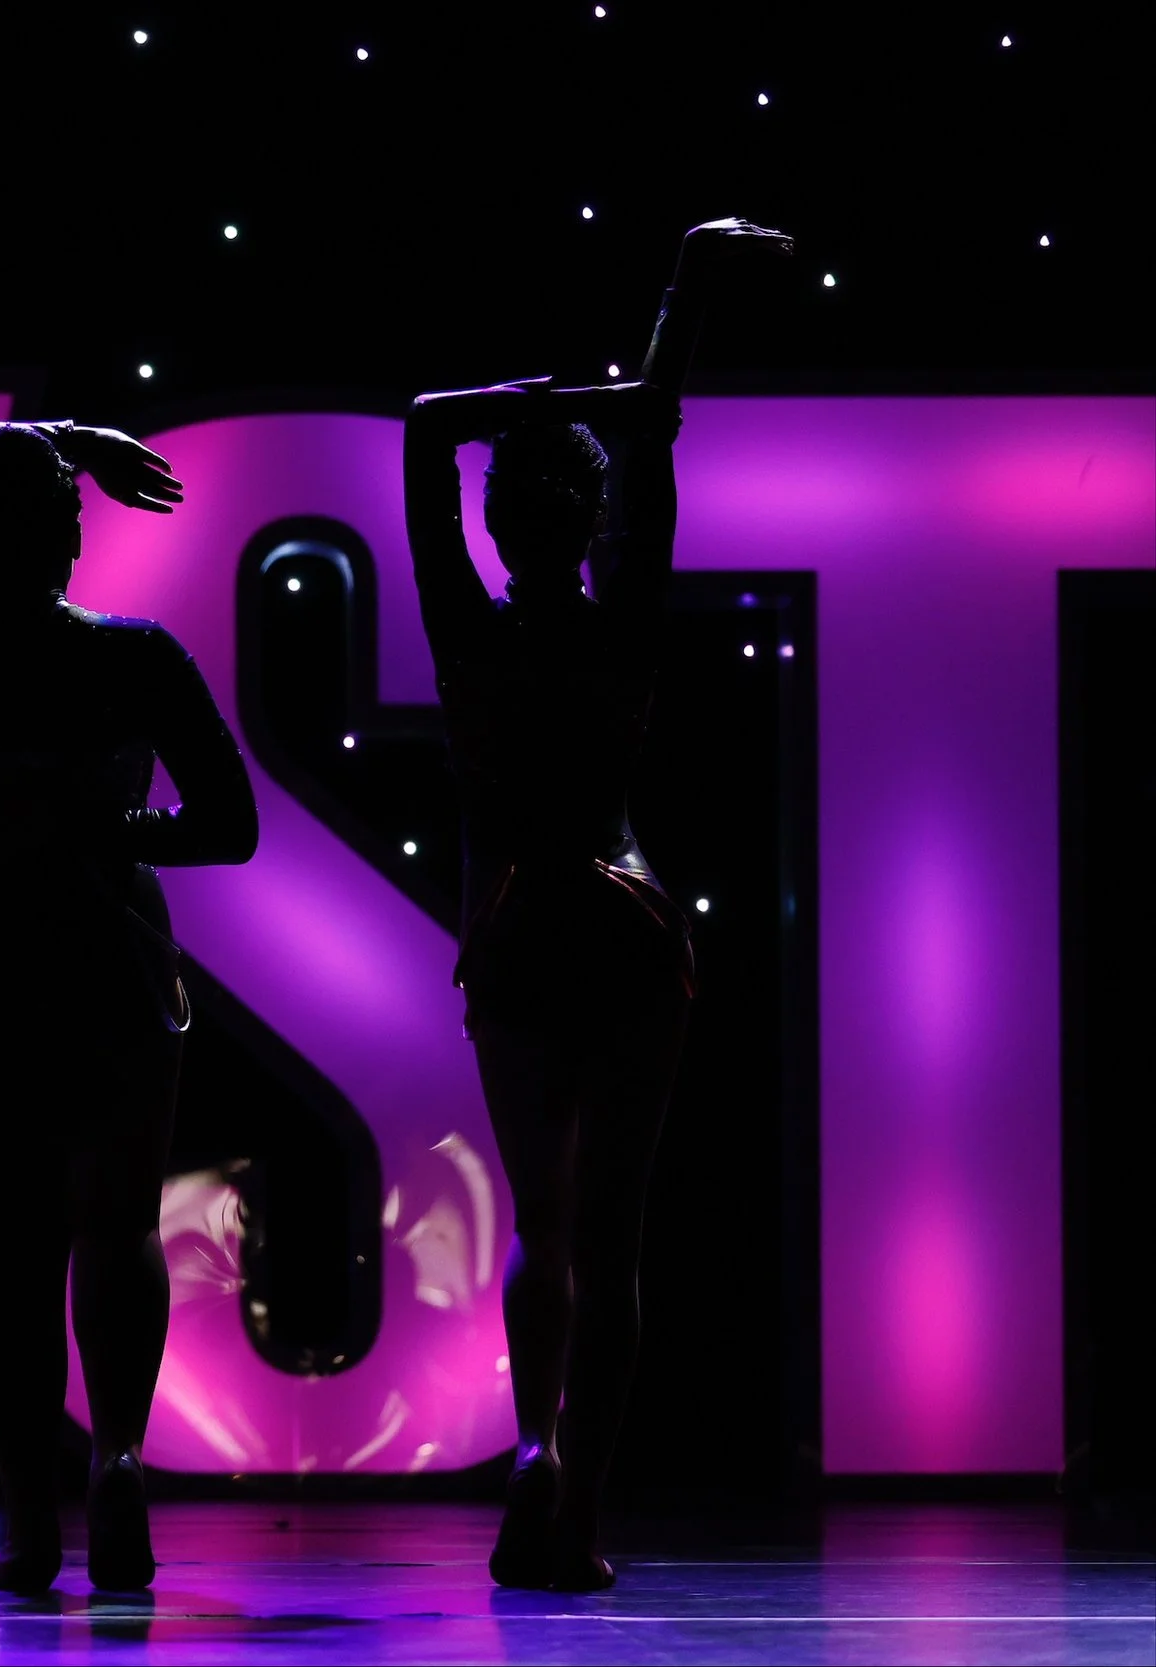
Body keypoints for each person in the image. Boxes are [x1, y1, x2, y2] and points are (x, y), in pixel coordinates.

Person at [402, 218, 790, 1591]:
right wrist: (683, 282)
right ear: (587, 515)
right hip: (628, 917)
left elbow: (419, 432)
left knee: (544, 1224)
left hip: (514, 925)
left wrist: (522, 408)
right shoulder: (624, 608)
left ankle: (534, 1445)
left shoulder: (466, 624)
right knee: (613, 1234)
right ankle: (588, 1507)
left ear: (502, 518)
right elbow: (656, 434)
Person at [0, 421, 257, 1593]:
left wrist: (58, 437)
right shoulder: (140, 655)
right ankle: (122, 1456)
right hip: (109, 942)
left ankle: (32, 1522)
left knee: (9, 1241)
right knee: (117, 1221)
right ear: (76, 534)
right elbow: (229, 825)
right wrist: (113, 827)